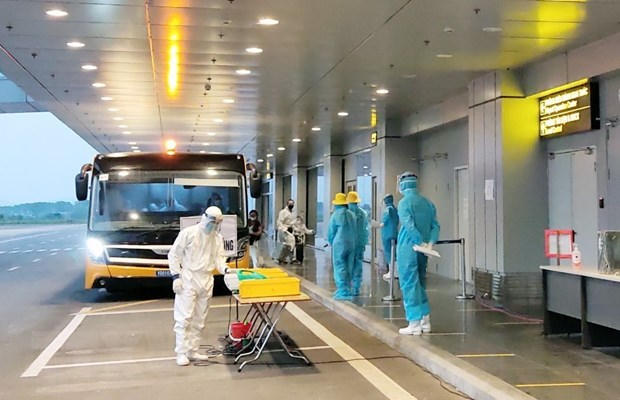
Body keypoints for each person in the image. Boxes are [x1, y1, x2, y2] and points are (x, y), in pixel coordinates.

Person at [168, 206, 233, 366]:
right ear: (204, 217)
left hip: (207, 279)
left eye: (217, 223)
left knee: (200, 319)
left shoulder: (217, 238)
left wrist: (225, 269)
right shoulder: (188, 233)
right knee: (184, 318)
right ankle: (181, 352)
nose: (214, 225)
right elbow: (174, 254)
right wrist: (176, 276)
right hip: (189, 278)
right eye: (212, 222)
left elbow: (219, 258)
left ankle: (193, 350)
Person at [395, 173, 440, 335]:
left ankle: (414, 323)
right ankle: (425, 321)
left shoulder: (403, 203)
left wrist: (418, 241)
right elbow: (435, 226)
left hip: (409, 248)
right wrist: (429, 243)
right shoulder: (428, 203)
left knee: (409, 284)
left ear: (402, 185)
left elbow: (409, 225)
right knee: (420, 283)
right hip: (424, 250)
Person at [327, 193, 357, 300]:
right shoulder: (352, 215)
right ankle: (348, 289)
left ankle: (342, 290)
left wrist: (331, 241)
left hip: (339, 244)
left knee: (339, 266)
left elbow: (331, 232)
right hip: (351, 243)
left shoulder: (335, 215)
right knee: (349, 266)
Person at [346, 191, 369, 296]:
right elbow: (365, 230)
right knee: (358, 265)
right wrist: (364, 242)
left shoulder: (346, 213)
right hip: (359, 243)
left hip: (348, 243)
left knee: (347, 265)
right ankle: (356, 288)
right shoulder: (363, 214)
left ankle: (347, 287)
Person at [381, 194, 400, 281]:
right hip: (394, 233)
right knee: (394, 253)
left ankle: (392, 272)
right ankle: (396, 272)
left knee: (389, 253)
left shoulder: (388, 209)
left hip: (387, 234)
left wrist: (377, 224)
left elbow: (384, 222)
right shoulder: (395, 209)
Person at [276, 199, 296, 263]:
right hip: (284, 230)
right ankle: (280, 258)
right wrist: (284, 229)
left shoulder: (293, 213)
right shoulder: (283, 212)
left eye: (292, 204)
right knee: (285, 245)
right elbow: (279, 222)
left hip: (291, 229)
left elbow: (293, 222)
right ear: (287, 204)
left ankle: (291, 258)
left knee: (291, 244)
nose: (291, 205)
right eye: (290, 204)